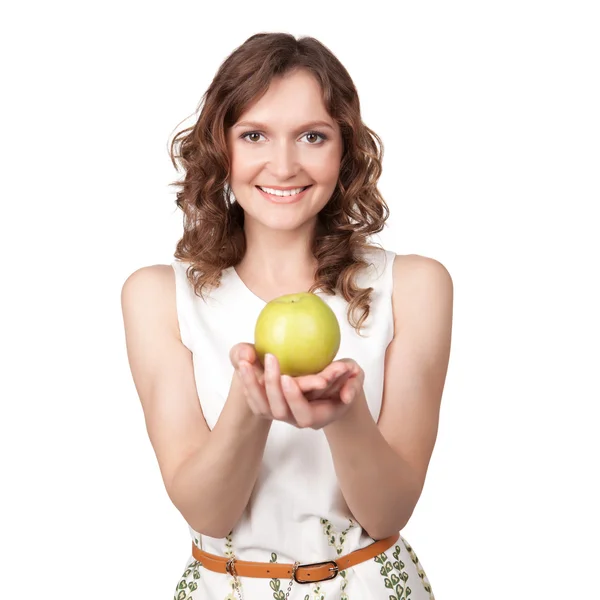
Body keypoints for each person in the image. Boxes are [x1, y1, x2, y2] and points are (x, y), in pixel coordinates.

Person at [121, 32, 453, 600]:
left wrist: (343, 415)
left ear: (344, 150)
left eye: (312, 137)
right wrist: (249, 408)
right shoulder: (158, 295)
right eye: (254, 135)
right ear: (220, 148)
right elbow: (209, 513)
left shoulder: (414, 286)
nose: (283, 165)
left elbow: (389, 512)